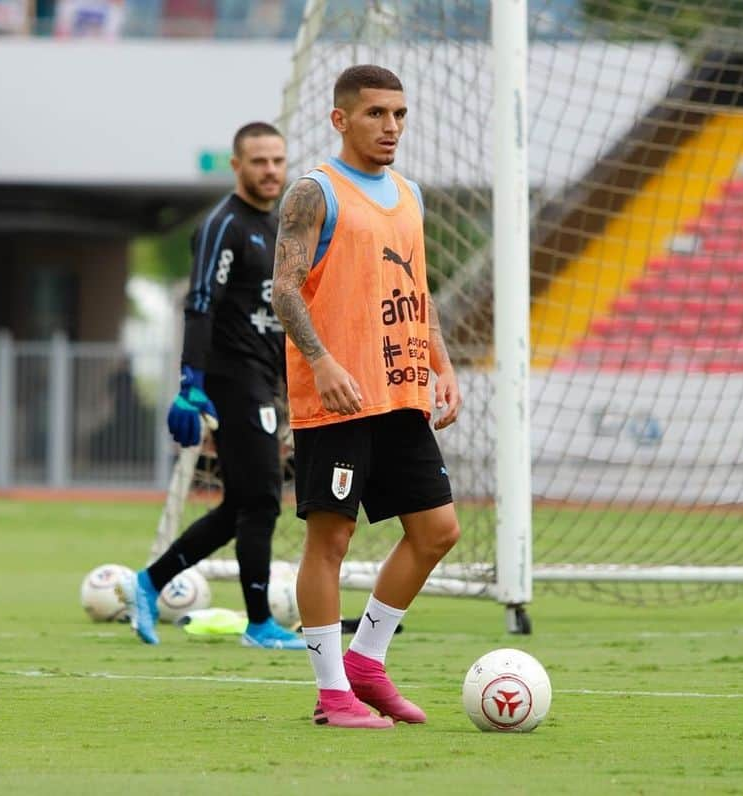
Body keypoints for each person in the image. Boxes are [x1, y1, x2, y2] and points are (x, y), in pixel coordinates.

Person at [271, 64, 462, 729]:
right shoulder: (313, 192)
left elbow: (418, 287)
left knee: (438, 531)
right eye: (378, 113)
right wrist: (320, 362)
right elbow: (284, 289)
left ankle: (366, 663)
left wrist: (442, 363)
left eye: (400, 114)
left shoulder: (409, 194)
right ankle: (331, 694)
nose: (392, 127)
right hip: (338, 398)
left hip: (401, 389)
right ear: (341, 119)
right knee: (332, 538)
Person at [118, 122, 306, 651]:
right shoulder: (223, 224)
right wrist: (190, 383)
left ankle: (148, 583)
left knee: (242, 505)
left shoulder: (273, 228)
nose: (270, 170)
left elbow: (274, 315)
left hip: (260, 379)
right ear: (236, 165)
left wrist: (293, 384)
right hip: (230, 378)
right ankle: (260, 625)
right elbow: (200, 302)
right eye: (259, 161)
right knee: (264, 500)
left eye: (277, 161)